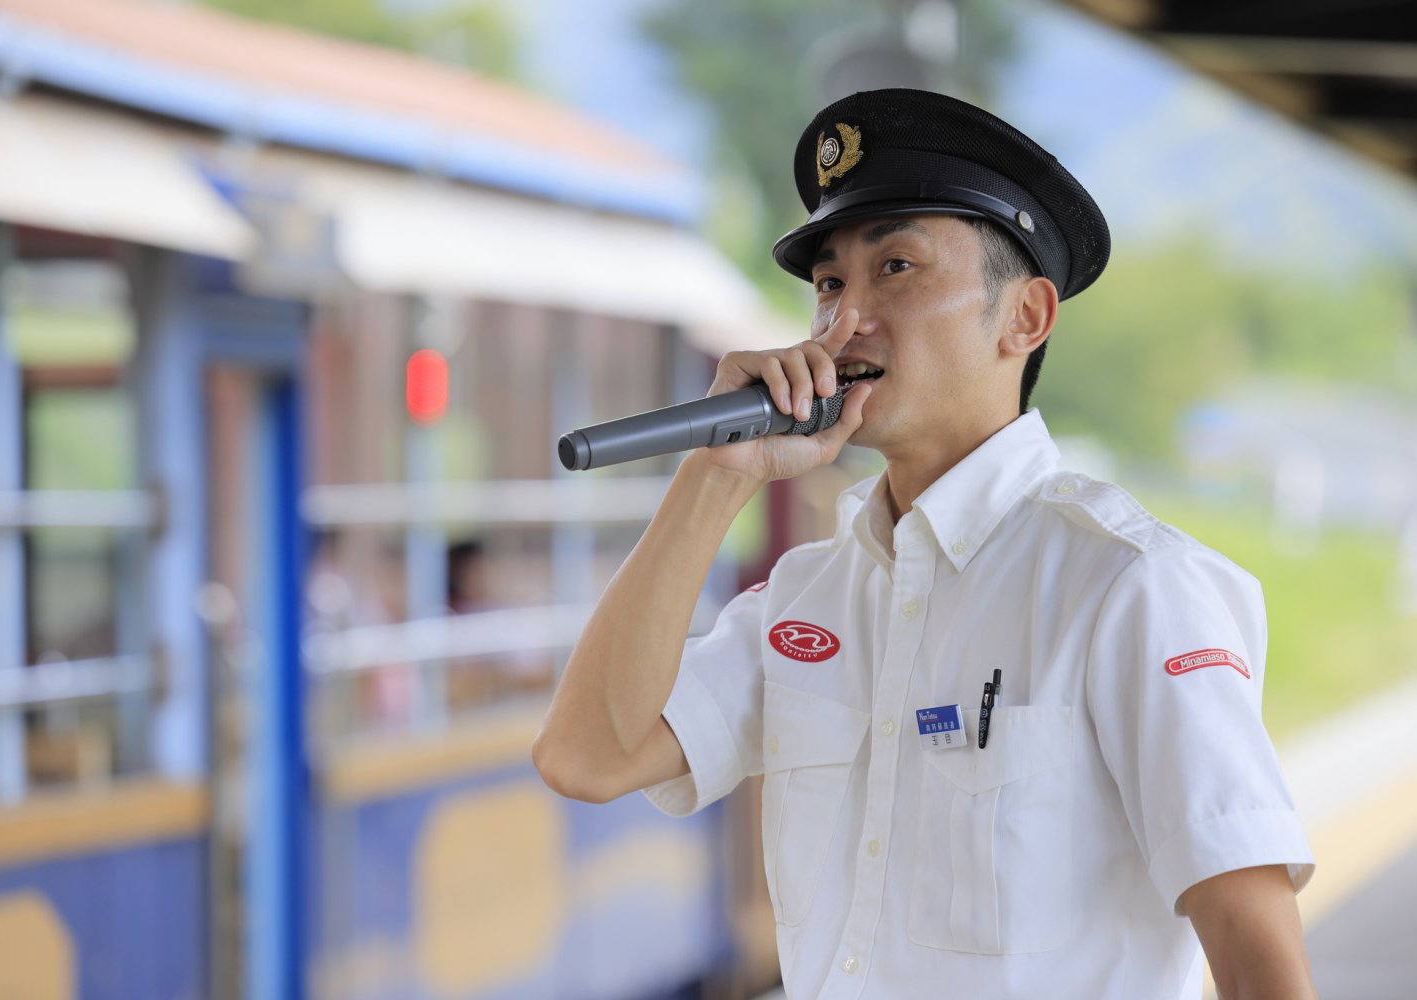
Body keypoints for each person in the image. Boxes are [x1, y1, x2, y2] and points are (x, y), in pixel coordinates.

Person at [533, 89, 1316, 999]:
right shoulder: (807, 600)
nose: (844, 319)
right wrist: (717, 477)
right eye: (830, 284)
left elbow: (1256, 945)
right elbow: (586, 757)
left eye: (895, 266)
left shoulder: (1131, 585)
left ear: (1025, 318)